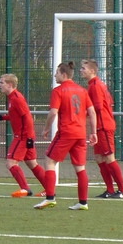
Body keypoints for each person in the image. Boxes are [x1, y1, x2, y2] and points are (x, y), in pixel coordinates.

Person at [34, 61, 97, 211]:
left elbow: (53, 112)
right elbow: (92, 112)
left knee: (49, 161)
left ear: (63, 74)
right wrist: (94, 132)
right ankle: (83, 202)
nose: (54, 75)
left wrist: (46, 129)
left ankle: (50, 198)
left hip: (66, 132)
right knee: (80, 168)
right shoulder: (82, 90)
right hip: (80, 134)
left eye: (56, 73)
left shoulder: (58, 91)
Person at [79, 59, 123, 200]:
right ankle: (110, 189)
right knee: (99, 157)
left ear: (92, 71)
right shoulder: (95, 84)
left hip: (104, 125)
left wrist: (82, 113)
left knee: (109, 157)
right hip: (100, 126)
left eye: (83, 68)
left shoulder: (95, 86)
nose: (81, 70)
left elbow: (98, 107)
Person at [0, 74, 46, 198]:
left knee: (11, 163)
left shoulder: (16, 98)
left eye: (2, 83)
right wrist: (2, 117)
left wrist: (27, 136)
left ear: (10, 85)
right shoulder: (12, 98)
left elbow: (27, 117)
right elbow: (16, 116)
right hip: (26, 136)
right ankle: (49, 189)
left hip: (23, 136)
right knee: (32, 163)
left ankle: (25, 189)